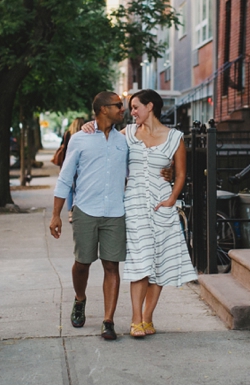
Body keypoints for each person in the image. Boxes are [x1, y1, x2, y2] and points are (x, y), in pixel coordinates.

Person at [82, 89, 196, 338]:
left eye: (135, 107)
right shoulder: (128, 134)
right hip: (134, 205)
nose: (131, 112)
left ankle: (147, 318)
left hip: (162, 205)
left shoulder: (175, 137)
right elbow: (107, 138)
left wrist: (171, 199)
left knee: (160, 263)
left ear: (150, 106)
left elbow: (180, 174)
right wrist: (91, 125)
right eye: (130, 107)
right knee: (140, 262)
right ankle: (135, 320)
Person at [49, 92, 128, 341]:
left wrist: (167, 171)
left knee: (111, 265)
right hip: (86, 210)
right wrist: (56, 215)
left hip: (115, 212)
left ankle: (108, 321)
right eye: (118, 105)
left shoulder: (124, 140)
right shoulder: (79, 139)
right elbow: (65, 178)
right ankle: (80, 298)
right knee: (82, 264)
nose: (122, 109)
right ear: (103, 109)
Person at [61, 118, 86, 223]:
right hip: (81, 163)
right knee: (78, 186)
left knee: (70, 189)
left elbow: (64, 148)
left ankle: (70, 213)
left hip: (70, 162)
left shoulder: (68, 134)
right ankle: (77, 209)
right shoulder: (85, 134)